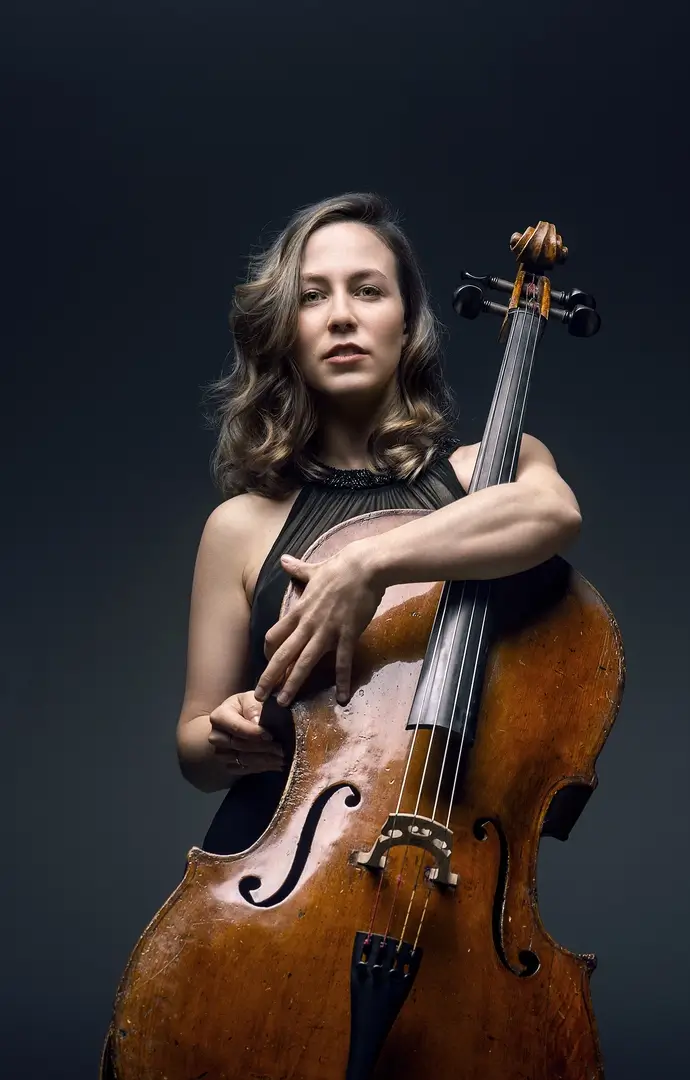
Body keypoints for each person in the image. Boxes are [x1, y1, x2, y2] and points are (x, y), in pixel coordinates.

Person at [175, 192, 582, 855]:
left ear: (406, 321)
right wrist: (225, 732)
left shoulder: (488, 470)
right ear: (284, 329)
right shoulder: (239, 526)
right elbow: (193, 746)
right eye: (312, 297)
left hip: (450, 849)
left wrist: (366, 564)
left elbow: (553, 512)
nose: (341, 316)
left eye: (367, 291)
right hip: (283, 856)